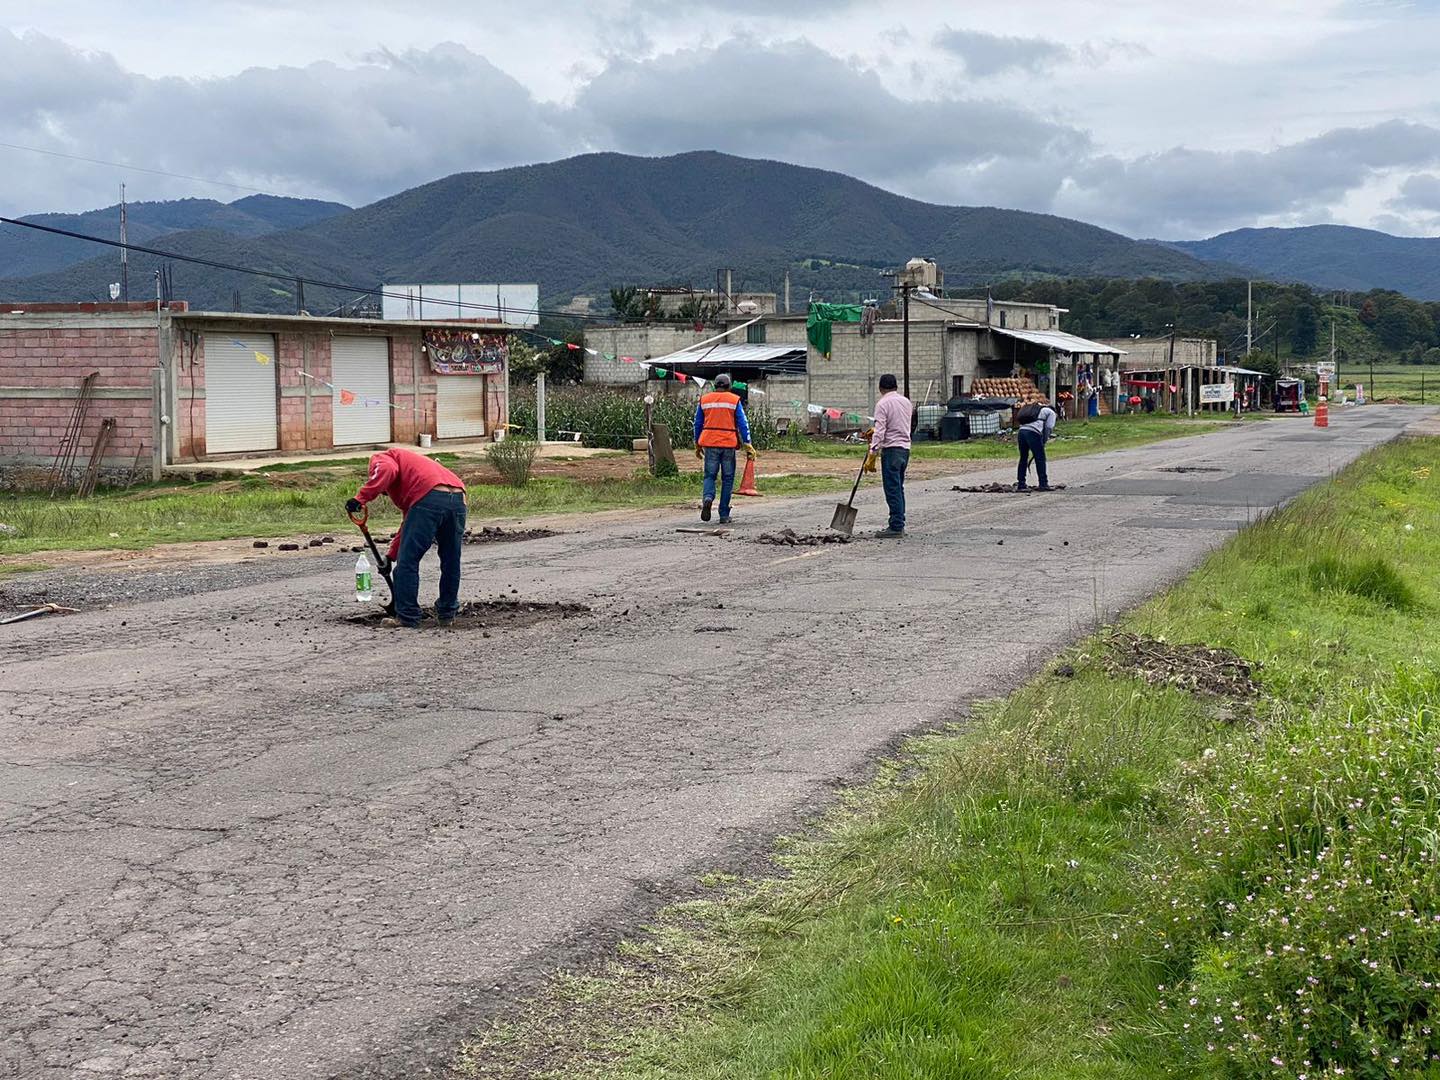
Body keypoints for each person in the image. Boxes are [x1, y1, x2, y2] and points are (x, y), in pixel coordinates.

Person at [346, 448, 467, 628]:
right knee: (451, 560)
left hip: (430, 497)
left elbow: (386, 470)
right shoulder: (414, 471)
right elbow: (407, 526)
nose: (385, 493)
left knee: (408, 562)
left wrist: (360, 499)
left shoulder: (383, 457)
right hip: (458, 498)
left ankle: (407, 616)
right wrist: (390, 556)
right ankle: (447, 614)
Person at [693, 373, 756, 525]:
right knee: (727, 479)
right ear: (729, 387)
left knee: (709, 476)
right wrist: (748, 443)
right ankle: (723, 514)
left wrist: (697, 443)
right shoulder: (734, 400)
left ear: (715, 386)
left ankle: (708, 498)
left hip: (710, 444)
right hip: (728, 444)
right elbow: (743, 423)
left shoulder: (705, 400)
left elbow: (697, 423)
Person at [865, 373, 913, 538]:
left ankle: (896, 527)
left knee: (892, 489)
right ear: (896, 387)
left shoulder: (882, 404)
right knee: (898, 488)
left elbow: (881, 430)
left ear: (880, 388)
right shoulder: (906, 402)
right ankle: (899, 523)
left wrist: (873, 452)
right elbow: (901, 423)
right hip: (904, 449)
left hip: (891, 450)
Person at [1016, 400, 1057, 492]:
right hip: (1033, 433)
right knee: (1040, 458)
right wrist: (1044, 440)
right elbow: (1049, 427)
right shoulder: (1051, 413)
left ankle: (1021, 484)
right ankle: (1043, 484)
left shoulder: (1035, 410)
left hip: (1021, 432)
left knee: (1023, 458)